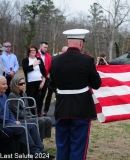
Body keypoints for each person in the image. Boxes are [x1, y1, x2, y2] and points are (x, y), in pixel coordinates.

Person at [50, 29, 101, 160]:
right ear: (80, 43)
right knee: (78, 146)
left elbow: (52, 84)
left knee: (62, 145)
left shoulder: (55, 60)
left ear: (68, 41)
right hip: (81, 108)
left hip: (61, 107)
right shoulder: (87, 61)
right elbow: (96, 84)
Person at [0, 75, 51, 158]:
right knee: (23, 128)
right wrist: (13, 122)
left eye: (6, 84)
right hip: (2, 124)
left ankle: (41, 151)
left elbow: (9, 112)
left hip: (10, 122)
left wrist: (14, 120)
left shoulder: (4, 96)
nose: (6, 86)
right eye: (3, 84)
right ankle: (35, 153)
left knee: (32, 126)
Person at [8, 76, 52, 141]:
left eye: (24, 83)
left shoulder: (24, 94)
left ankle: (42, 138)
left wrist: (31, 115)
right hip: (20, 119)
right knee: (40, 121)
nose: (23, 85)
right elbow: (16, 111)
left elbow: (27, 107)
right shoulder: (12, 95)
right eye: (21, 84)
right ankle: (39, 140)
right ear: (15, 85)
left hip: (27, 117)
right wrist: (28, 116)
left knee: (48, 119)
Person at [43, 46, 68, 116]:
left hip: (62, 80)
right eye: (65, 52)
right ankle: (45, 110)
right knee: (49, 95)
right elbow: (51, 68)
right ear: (62, 51)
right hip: (53, 79)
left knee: (62, 95)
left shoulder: (68, 59)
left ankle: (61, 110)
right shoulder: (55, 58)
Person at [22, 45, 46, 115]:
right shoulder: (25, 60)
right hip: (31, 82)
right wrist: (33, 65)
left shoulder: (39, 59)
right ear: (28, 52)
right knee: (31, 98)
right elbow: (25, 69)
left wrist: (43, 82)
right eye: (31, 50)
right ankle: (31, 113)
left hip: (40, 82)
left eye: (34, 50)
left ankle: (38, 112)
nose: (33, 52)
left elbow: (43, 71)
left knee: (39, 98)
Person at [36, 42, 52, 117]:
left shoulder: (48, 56)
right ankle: (34, 111)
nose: (45, 49)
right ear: (40, 47)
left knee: (43, 95)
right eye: (44, 47)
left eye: (46, 47)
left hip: (45, 78)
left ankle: (39, 111)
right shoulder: (36, 55)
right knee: (36, 95)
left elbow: (50, 66)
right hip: (36, 78)